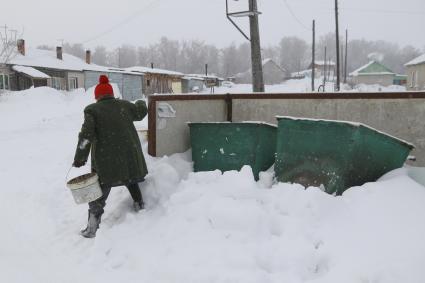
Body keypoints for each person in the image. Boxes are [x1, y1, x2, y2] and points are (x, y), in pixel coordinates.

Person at [73, 75, 148, 238]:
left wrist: (80, 158)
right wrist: (141, 100)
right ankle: (141, 208)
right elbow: (141, 111)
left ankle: (92, 228)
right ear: (112, 94)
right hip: (129, 158)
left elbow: (86, 136)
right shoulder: (124, 106)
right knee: (130, 180)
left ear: (97, 96)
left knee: (99, 193)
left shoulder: (92, 110)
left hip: (106, 162)